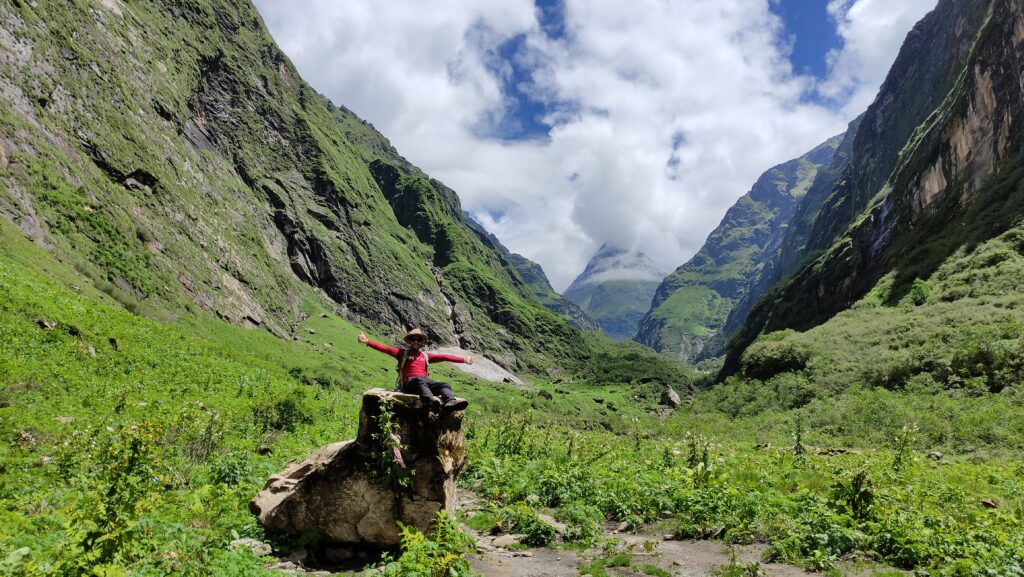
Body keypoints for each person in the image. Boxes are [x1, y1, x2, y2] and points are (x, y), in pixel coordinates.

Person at [358, 328, 474, 410]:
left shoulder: (426, 356)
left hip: (424, 382)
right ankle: (432, 402)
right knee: (420, 380)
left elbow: (444, 357)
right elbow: (385, 349)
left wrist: (464, 360)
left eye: (418, 340)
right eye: (413, 339)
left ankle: (451, 402)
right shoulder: (402, 353)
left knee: (445, 385)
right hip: (410, 383)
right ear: (409, 341)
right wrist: (367, 342)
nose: (416, 341)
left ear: (421, 343)